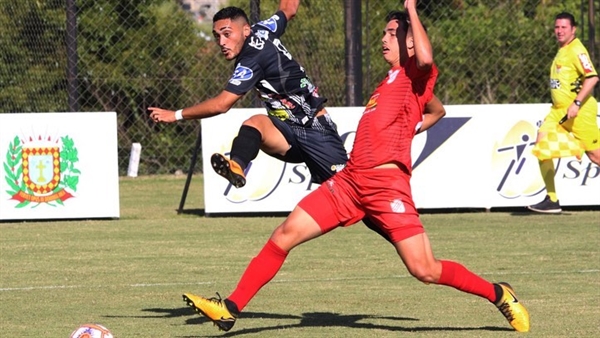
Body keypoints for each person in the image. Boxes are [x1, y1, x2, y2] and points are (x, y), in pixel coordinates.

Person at [181, 1, 530, 333]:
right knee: (284, 236)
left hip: (386, 187)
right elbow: (434, 110)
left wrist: (410, 7)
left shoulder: (417, 73)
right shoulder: (390, 82)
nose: (383, 38)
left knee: (424, 269)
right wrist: (414, 123)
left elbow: (427, 70)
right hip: (349, 183)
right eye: (383, 32)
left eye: (392, 33)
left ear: (410, 41)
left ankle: (498, 293)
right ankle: (230, 308)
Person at [149, 0, 348, 188]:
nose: (221, 42)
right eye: (217, 36)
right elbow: (289, 9)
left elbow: (222, 104)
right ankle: (236, 167)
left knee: (352, 195)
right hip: (286, 133)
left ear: (245, 30)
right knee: (254, 124)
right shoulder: (263, 29)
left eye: (227, 34)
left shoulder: (251, 60)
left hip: (315, 130)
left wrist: (175, 115)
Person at [527, 11, 599, 214]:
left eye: (563, 27)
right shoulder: (562, 50)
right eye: (557, 27)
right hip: (558, 112)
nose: (559, 31)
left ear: (573, 29)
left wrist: (576, 102)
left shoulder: (577, 50)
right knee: (541, 145)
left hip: (580, 112)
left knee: (595, 156)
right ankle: (552, 199)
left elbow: (592, 77)